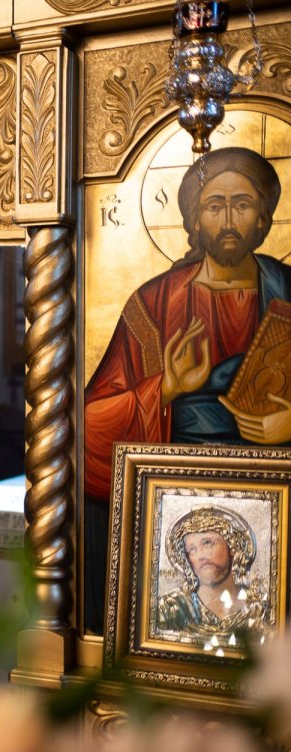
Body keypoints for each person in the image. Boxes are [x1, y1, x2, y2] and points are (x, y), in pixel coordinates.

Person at [85, 147, 291, 501]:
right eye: (214, 206)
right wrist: (165, 388)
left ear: (262, 216)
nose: (228, 220)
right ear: (195, 219)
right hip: (178, 494)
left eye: (242, 204)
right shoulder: (154, 304)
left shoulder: (287, 290)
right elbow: (88, 425)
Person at [156, 505, 270, 639]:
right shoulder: (171, 609)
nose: (200, 556)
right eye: (191, 550)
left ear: (233, 546)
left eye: (208, 543)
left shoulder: (260, 610)